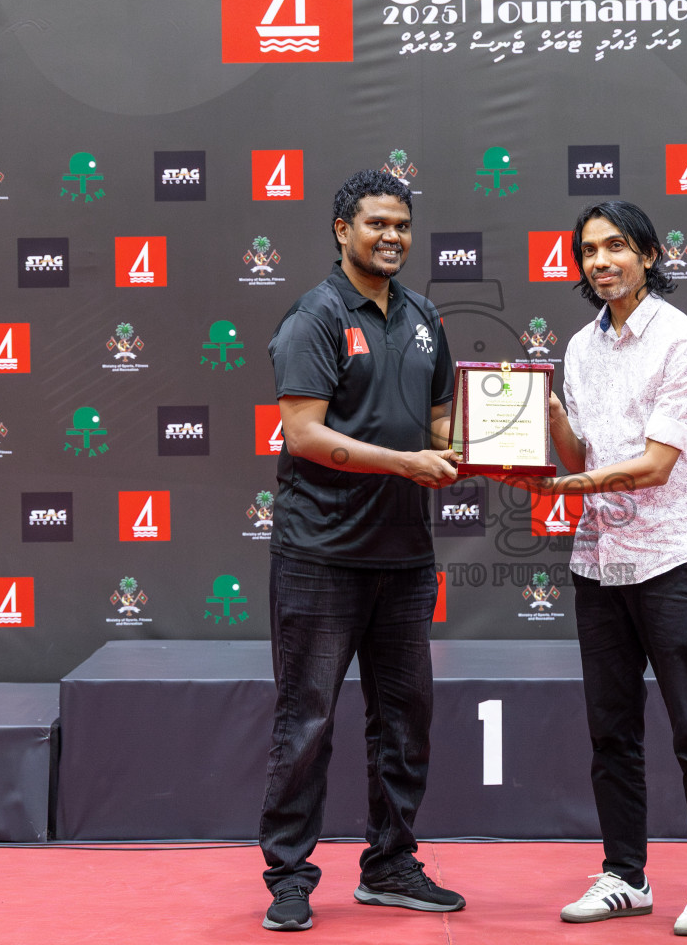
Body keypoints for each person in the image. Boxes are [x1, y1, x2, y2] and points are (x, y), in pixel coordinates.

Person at [495, 200, 687, 936]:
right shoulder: (578, 347)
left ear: (651, 255)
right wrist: (539, 418)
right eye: (589, 251)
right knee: (611, 731)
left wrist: (572, 487)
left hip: (671, 557)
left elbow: (657, 466)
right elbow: (578, 454)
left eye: (616, 247)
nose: (601, 262)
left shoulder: (684, 344)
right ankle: (626, 875)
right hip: (599, 561)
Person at [258, 169, 465, 932]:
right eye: (376, 223)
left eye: (402, 226)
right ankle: (288, 874)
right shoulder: (314, 316)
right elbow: (304, 433)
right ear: (342, 230)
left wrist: (513, 439)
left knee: (406, 718)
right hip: (321, 556)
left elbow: (440, 426)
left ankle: (390, 865)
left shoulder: (422, 315)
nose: (392, 237)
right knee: (305, 721)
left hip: (406, 556)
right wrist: (406, 464)